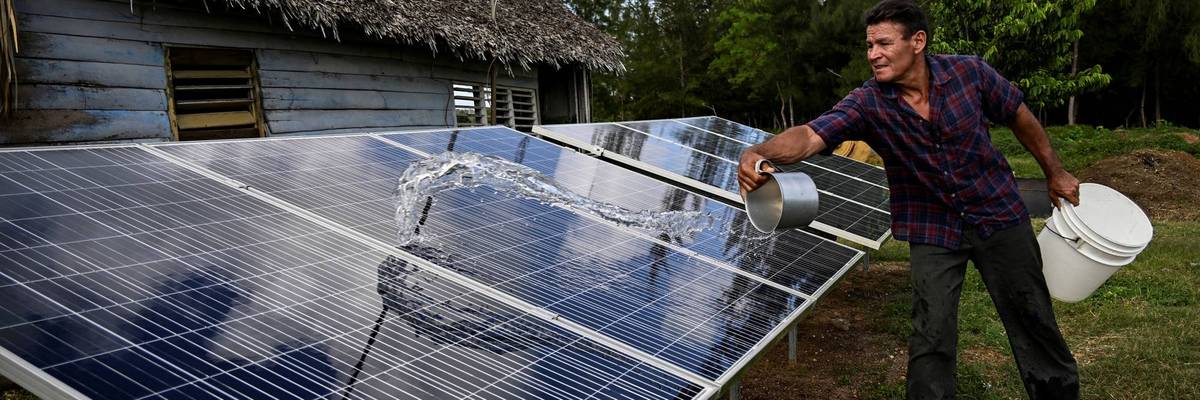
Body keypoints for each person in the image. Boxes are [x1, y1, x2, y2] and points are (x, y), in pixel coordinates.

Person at [737, 0, 1081, 398]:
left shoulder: (969, 73)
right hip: (932, 227)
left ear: (917, 41)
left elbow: (1019, 114)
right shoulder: (868, 102)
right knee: (930, 335)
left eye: (883, 43)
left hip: (998, 213)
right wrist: (759, 151)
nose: (873, 55)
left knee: (1032, 319)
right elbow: (811, 135)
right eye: (869, 46)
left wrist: (1054, 171)